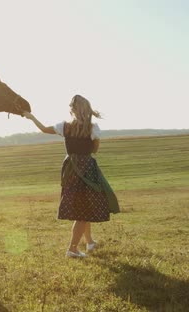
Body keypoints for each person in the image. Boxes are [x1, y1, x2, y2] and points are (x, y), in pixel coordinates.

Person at [22, 94, 119, 258]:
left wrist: (32, 117)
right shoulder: (93, 128)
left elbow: (44, 129)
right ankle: (72, 249)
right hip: (87, 168)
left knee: (83, 207)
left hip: (70, 169)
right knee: (84, 209)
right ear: (87, 109)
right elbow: (95, 150)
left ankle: (90, 243)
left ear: (72, 110)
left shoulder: (64, 126)